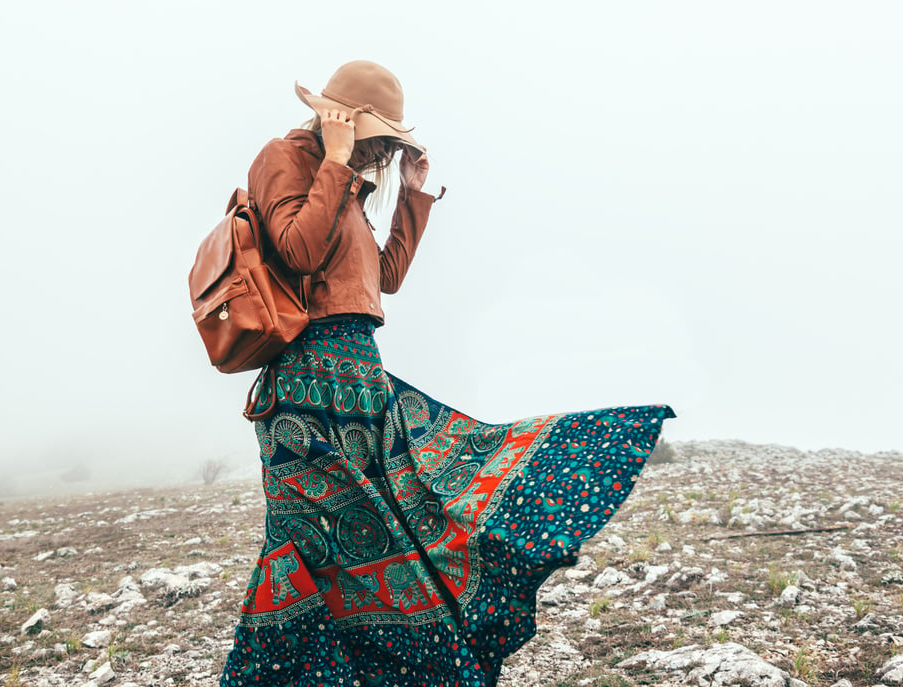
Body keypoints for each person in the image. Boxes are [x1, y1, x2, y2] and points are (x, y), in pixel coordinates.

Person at [219, 60, 675, 687]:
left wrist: (410, 192)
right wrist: (340, 162)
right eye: (378, 137)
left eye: (388, 142)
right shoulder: (286, 159)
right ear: (340, 120)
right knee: (317, 549)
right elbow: (297, 250)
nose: (383, 149)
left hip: (361, 382)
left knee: (409, 521)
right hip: (305, 393)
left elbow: (384, 279)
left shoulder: (344, 180)